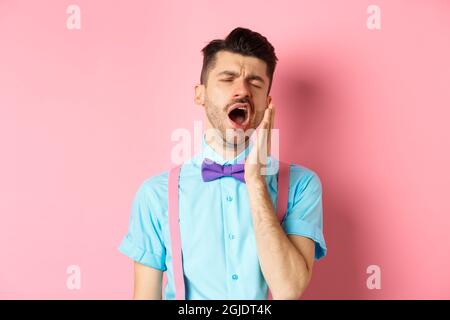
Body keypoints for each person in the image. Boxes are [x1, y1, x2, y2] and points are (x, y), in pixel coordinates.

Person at [118, 27, 327, 300]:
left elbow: (289, 289)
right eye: (227, 79)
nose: (242, 91)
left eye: (255, 83)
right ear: (200, 95)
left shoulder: (302, 185)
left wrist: (254, 179)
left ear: (267, 102)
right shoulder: (155, 194)